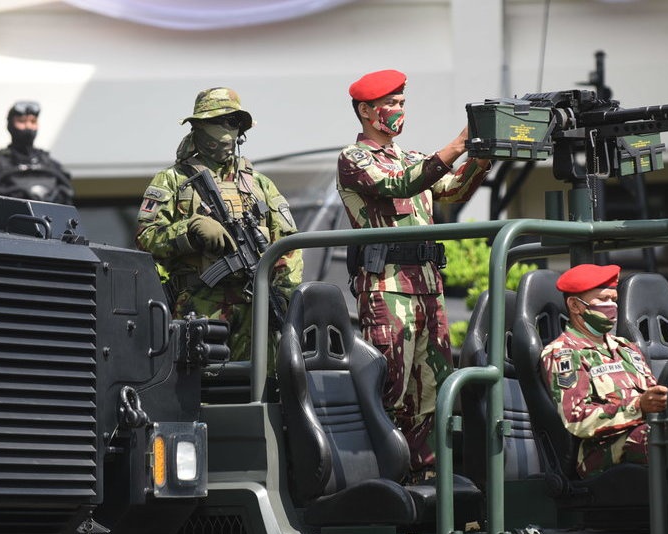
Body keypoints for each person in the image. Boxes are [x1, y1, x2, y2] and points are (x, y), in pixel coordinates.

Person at [336, 69, 491, 478]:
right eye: (392, 104)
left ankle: (426, 474)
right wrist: (457, 144)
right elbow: (402, 185)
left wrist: (483, 154)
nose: (400, 110)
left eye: (403, 103)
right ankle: (384, 475)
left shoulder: (411, 156)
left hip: (426, 285)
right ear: (367, 111)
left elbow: (453, 190)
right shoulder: (355, 159)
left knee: (432, 387)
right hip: (387, 286)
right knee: (391, 385)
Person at [539, 263, 668, 534]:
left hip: (647, 436)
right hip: (600, 451)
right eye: (602, 300)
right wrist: (639, 404)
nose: (611, 307)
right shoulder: (563, 354)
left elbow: (653, 395)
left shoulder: (627, 349)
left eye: (614, 299)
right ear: (575, 305)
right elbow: (577, 419)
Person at [135, 87, 302, 363]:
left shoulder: (259, 184)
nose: (227, 131)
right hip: (200, 309)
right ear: (198, 127)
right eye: (219, 121)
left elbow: (289, 245)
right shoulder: (172, 180)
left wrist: (284, 295)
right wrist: (188, 231)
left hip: (256, 308)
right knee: (204, 392)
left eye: (234, 123)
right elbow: (145, 238)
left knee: (259, 389)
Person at [0, 101, 75, 205]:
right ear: (10, 125)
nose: (28, 126)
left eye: (33, 121)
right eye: (22, 121)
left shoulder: (53, 167)